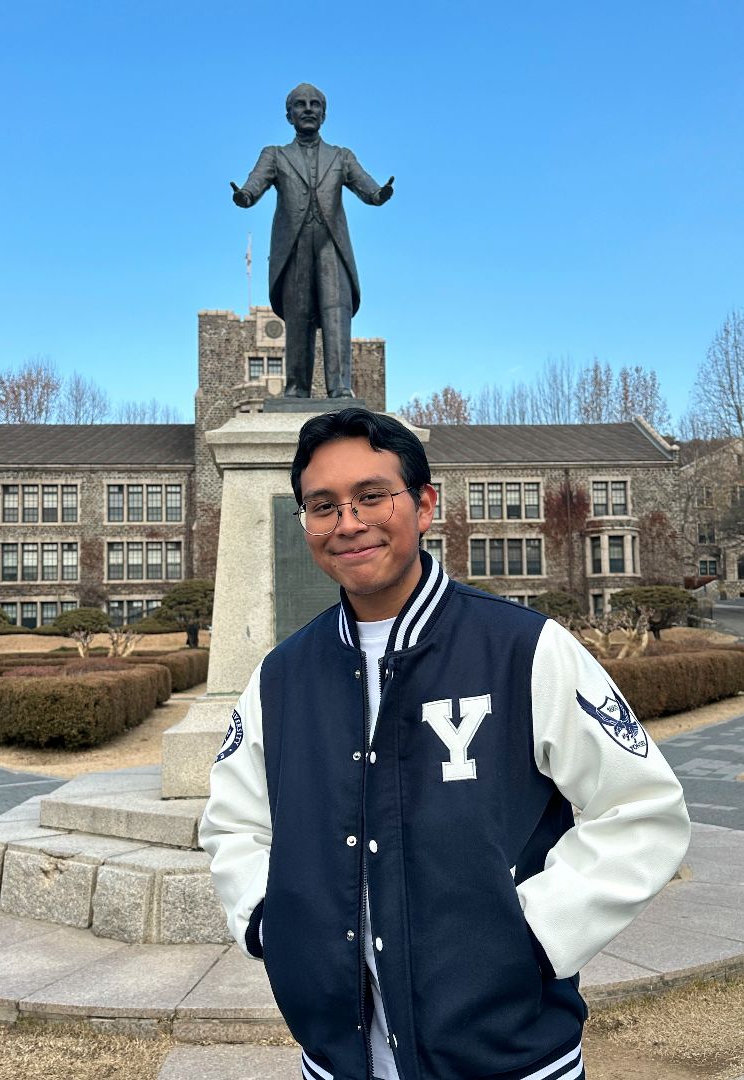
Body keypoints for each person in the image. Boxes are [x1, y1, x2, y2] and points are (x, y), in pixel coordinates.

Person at [200, 408, 690, 1080]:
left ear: (425, 504)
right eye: (323, 505)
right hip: (340, 1059)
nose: (348, 522)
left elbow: (642, 812)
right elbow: (233, 821)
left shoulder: (524, 649)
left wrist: (532, 938)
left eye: (372, 495)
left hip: (508, 1058)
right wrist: (269, 923)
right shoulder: (279, 678)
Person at [230, 84, 393, 399]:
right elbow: (255, 183)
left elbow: (366, 186)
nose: (308, 109)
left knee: (336, 312)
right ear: (289, 114)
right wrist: (245, 195)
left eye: (315, 104)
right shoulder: (275, 155)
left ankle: (340, 387)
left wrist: (378, 194)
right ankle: (296, 387)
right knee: (298, 315)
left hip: (331, 245)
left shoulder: (341, 156)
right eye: (301, 104)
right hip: (294, 247)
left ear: (324, 113)